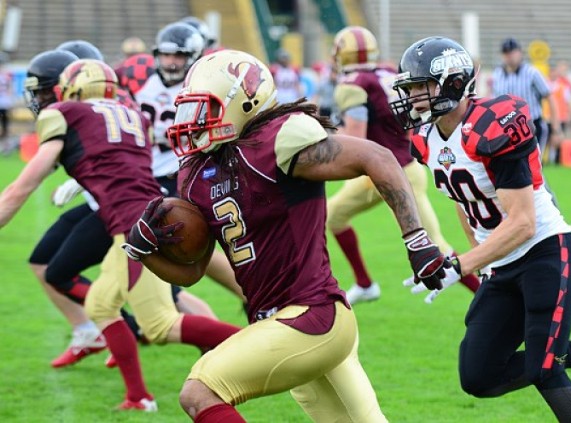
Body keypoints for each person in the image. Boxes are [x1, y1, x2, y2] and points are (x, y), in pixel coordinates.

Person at [122, 49, 449, 422]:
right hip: (280, 325)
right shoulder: (195, 172)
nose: (194, 122)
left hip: (314, 314)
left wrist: (417, 240)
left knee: (200, 391)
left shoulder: (277, 141)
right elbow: (194, 271)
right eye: (191, 110)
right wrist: (146, 251)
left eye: (206, 109)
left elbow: (378, 157)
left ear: (245, 103)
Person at [390, 36, 571, 421]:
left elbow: (522, 222)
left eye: (422, 87)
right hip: (502, 265)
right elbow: (463, 202)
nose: (415, 97)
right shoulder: (426, 139)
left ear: (453, 82)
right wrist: (481, 259)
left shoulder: (492, 125)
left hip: (545, 252)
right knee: (478, 375)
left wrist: (461, 264)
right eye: (411, 88)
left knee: (545, 371)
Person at [0, 58, 241, 411]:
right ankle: (138, 398)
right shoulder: (133, 114)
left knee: (159, 326)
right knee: (100, 304)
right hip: (138, 219)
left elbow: (23, 186)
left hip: (135, 227)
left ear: (74, 88)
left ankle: (261, 343)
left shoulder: (66, 112)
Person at [328, 26, 479, 304]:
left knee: (436, 245)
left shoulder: (352, 83)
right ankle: (364, 283)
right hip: (396, 166)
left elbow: (355, 138)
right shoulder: (386, 73)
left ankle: (485, 295)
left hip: (390, 171)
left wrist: (322, 137)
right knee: (333, 215)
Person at [136, 21, 245, 301]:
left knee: (190, 247)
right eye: (166, 55)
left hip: (183, 175)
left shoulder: (201, 88)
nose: (171, 62)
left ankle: (244, 294)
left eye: (179, 56)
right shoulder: (145, 85)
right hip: (148, 175)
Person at [491, 37, 562, 158]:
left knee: (533, 168)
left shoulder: (532, 73)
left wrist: (556, 129)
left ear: (520, 52)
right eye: (506, 53)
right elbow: (494, 103)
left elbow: (549, 97)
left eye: (512, 52)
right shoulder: (497, 74)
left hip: (532, 125)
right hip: (506, 128)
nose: (510, 56)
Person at [0, 51, 13, 147]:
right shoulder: (7, 74)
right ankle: (5, 144)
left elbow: (9, 89)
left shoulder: (7, 74)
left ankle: (5, 144)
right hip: (5, 102)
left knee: (5, 124)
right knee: (5, 124)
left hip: (4, 102)